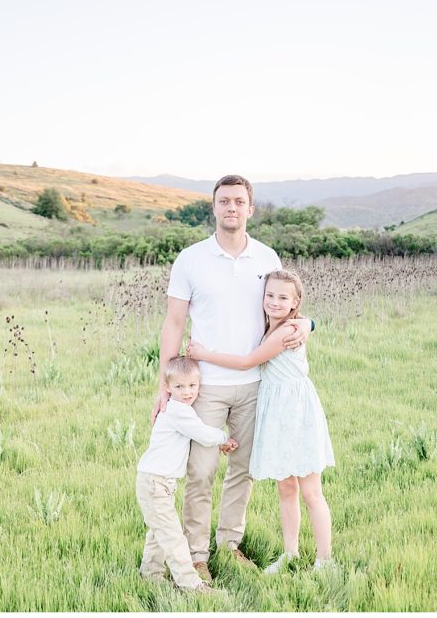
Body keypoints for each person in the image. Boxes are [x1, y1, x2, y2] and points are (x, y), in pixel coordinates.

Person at [152, 174, 312, 582]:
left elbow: (287, 308)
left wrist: (310, 323)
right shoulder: (190, 259)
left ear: (250, 209)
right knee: (201, 472)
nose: (231, 208)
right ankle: (196, 554)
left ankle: (229, 543)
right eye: (224, 201)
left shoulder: (267, 257)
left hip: (257, 385)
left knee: (243, 470)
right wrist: (163, 387)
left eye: (239, 201)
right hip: (203, 386)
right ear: (214, 206)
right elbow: (173, 324)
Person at [187, 270, 335, 573]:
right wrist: (310, 323)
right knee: (286, 488)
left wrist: (203, 353)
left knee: (310, 491)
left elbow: (247, 362)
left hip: (296, 412)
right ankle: (290, 553)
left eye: (283, 297)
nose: (274, 302)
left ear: (296, 303)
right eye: (270, 295)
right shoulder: (273, 327)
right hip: (279, 413)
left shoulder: (287, 331)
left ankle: (325, 560)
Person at [136, 356, 239, 593]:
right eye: (179, 387)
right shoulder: (177, 410)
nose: (187, 392)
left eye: (192, 386)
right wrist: (224, 438)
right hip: (155, 483)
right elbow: (202, 433)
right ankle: (192, 585)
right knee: (173, 537)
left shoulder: (181, 409)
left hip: (158, 482)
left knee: (159, 532)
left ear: (199, 384)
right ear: (168, 388)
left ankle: (150, 574)